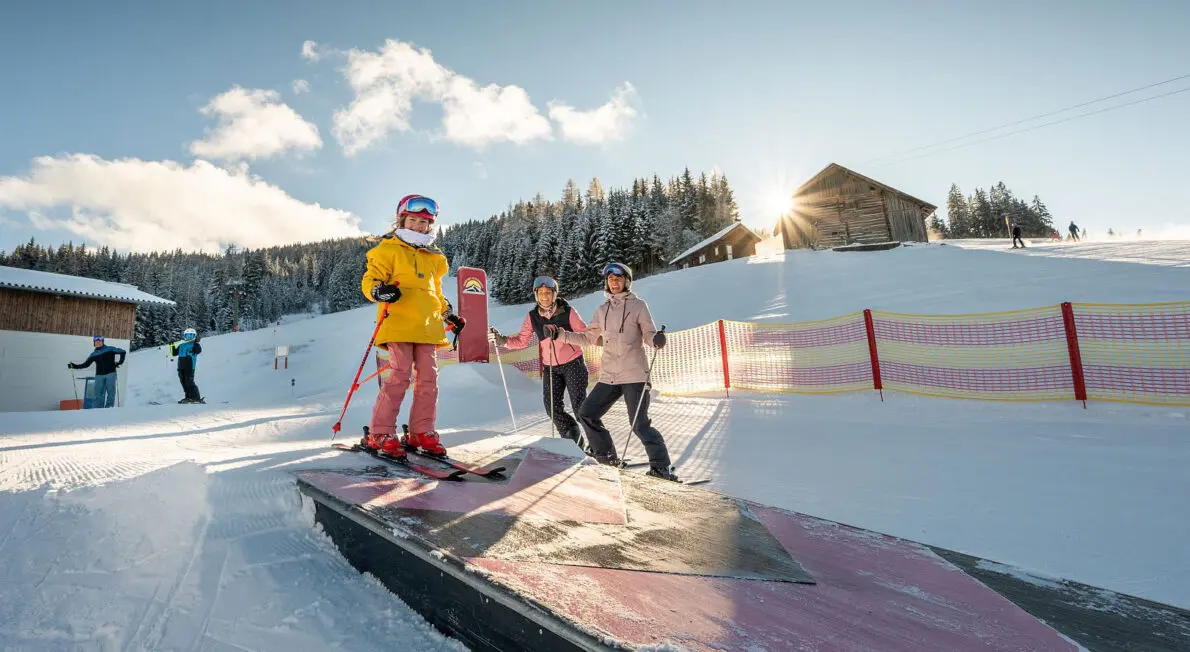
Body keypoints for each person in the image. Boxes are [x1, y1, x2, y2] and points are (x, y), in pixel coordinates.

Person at [544, 262, 678, 482]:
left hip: (634, 374)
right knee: (587, 413)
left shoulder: (638, 306)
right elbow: (587, 338)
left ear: (627, 281)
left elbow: (648, 334)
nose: (614, 282)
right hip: (609, 376)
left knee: (639, 424)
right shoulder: (602, 310)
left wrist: (656, 339)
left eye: (618, 278)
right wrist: (561, 335)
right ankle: (606, 457)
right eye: (610, 279)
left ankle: (661, 467)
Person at [360, 194, 464, 458]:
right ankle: (380, 432)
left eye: (424, 222)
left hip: (428, 326)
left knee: (429, 379)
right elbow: (371, 279)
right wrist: (378, 290)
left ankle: (422, 431)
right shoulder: (387, 250)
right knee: (400, 375)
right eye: (414, 220)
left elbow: (434, 292)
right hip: (398, 323)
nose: (419, 226)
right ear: (402, 220)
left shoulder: (434, 257)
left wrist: (448, 313)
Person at [491, 276, 591, 450]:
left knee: (579, 407)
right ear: (536, 295)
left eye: (548, 293)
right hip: (550, 367)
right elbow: (521, 341)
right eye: (541, 293)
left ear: (554, 294)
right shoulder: (532, 317)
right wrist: (502, 340)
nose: (545, 296)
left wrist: (563, 336)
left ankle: (598, 445)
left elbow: (585, 336)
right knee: (552, 407)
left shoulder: (568, 311)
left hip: (573, 363)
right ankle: (572, 438)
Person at [68, 335, 125, 408]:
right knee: (97, 393)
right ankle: (97, 409)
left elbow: (123, 352)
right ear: (94, 343)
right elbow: (86, 364)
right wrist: (74, 366)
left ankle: (109, 408)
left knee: (111, 393)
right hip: (99, 376)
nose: (98, 342)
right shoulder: (93, 354)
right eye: (96, 341)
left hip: (111, 374)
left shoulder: (110, 349)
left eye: (100, 341)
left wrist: (120, 362)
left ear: (103, 342)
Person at [169, 328, 203, 403]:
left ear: (194, 336)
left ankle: (196, 398)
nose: (189, 337)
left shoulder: (195, 344)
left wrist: (195, 344)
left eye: (191, 335)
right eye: (187, 335)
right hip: (181, 365)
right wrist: (172, 345)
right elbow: (174, 353)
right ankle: (188, 397)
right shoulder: (181, 344)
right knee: (183, 382)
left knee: (189, 381)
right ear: (185, 336)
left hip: (190, 366)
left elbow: (198, 350)